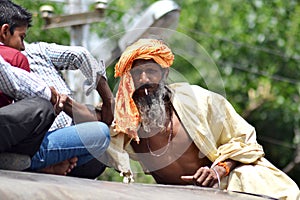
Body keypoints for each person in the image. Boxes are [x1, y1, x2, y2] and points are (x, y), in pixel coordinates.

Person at [105, 39, 299, 200]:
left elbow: (245, 142)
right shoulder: (124, 118)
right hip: (174, 195)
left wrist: (219, 170)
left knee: (254, 179)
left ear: (165, 74)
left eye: (151, 71)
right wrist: (99, 83)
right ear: (128, 78)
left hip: (223, 186)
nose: (144, 78)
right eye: (137, 73)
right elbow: (96, 120)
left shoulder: (199, 99)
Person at [0, 0, 112, 177]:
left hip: (63, 137)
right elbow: (12, 81)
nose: (22, 45)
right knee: (100, 133)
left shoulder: (37, 51)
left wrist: (108, 100)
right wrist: (51, 95)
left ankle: (47, 166)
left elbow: (80, 55)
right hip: (30, 142)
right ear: (4, 32)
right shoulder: (14, 59)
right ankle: (32, 164)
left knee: (99, 158)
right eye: (21, 37)